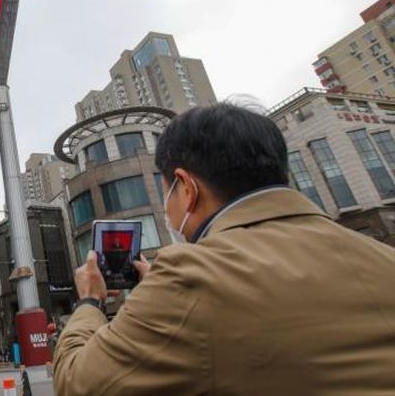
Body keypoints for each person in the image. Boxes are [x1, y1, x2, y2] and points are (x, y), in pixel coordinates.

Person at [53, 103, 395, 395]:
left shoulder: (190, 277)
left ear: (186, 188)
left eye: (165, 192)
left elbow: (78, 384)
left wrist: (90, 301)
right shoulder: (384, 256)